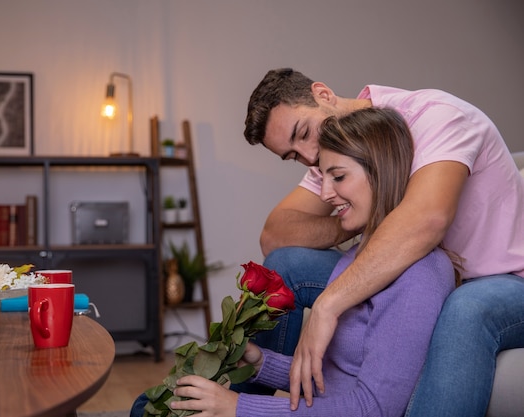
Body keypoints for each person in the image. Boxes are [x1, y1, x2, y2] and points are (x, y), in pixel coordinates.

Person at [242, 68, 524, 416]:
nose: (309, 156)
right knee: (287, 264)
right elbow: (275, 235)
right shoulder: (334, 152)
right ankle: (225, 398)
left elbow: (428, 219)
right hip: (420, 269)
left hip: (500, 279)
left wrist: (329, 305)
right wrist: (355, 212)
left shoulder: (437, 117)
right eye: (293, 155)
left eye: (303, 133)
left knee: (467, 309)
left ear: (323, 94)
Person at [161, 107, 456, 416]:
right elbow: (335, 381)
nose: (326, 194)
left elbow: (372, 408)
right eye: (323, 177)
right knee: (158, 403)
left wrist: (238, 407)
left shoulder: (419, 276)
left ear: (381, 171)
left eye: (338, 177)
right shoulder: (357, 259)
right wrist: (261, 362)